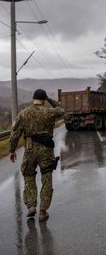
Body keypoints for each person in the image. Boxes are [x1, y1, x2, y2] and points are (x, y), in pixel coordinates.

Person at [9, 89, 64, 221]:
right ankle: (43, 211)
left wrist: (12, 150)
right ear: (44, 99)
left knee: (28, 175)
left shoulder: (23, 113)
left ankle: (31, 206)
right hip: (46, 150)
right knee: (46, 177)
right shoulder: (49, 112)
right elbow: (61, 109)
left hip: (29, 149)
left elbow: (14, 133)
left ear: (33, 98)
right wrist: (50, 99)